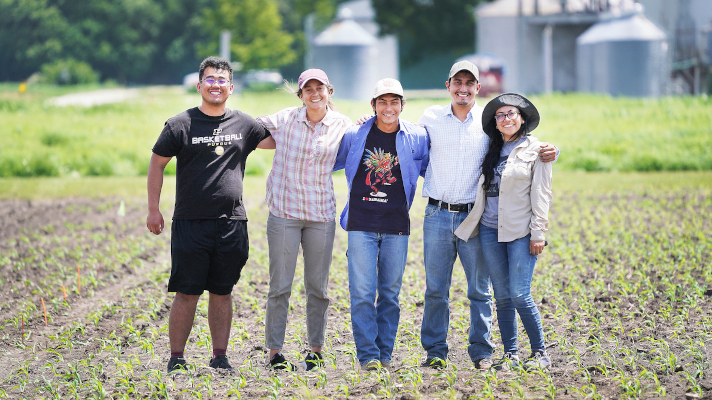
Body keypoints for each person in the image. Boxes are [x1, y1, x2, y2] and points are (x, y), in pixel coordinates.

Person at [418, 61, 558, 369]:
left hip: (475, 220)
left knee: (481, 291)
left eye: (470, 82)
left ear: (478, 88)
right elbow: (405, 141)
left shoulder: (488, 127)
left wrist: (552, 151)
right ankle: (436, 352)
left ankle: (482, 353)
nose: (463, 87)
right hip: (438, 214)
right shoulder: (430, 118)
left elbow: (528, 158)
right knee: (435, 290)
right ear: (448, 85)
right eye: (458, 81)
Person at [146, 56, 275, 374]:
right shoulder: (180, 124)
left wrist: (313, 118)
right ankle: (177, 358)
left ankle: (220, 356)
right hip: (190, 222)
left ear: (231, 88)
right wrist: (153, 209)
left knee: (222, 290)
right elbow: (157, 164)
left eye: (222, 81)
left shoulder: (245, 124)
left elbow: (280, 140)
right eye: (210, 79)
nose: (216, 85)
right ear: (199, 84)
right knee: (186, 292)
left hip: (232, 223)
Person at [256, 69, 352, 371]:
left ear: (329, 91)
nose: (314, 93)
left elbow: (361, 141)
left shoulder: (341, 125)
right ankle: (274, 352)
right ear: (300, 95)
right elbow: (249, 129)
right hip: (284, 213)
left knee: (318, 287)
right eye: (307, 89)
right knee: (280, 286)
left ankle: (316, 350)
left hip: (320, 215)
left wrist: (366, 120)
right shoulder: (285, 119)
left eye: (319, 88)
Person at [333, 78, 429, 371]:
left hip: (396, 224)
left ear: (402, 105)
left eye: (394, 102)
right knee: (362, 293)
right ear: (373, 106)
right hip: (361, 223)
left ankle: (384, 353)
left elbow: (434, 167)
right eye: (382, 102)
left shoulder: (417, 137)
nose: (389, 108)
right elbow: (327, 160)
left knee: (390, 294)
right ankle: (368, 356)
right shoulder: (354, 134)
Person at [454, 93, 553, 371]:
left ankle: (540, 353)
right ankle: (511, 354)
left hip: (521, 232)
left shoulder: (537, 150)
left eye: (511, 114)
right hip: (488, 230)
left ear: (522, 119)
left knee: (520, 294)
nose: (506, 119)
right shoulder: (492, 149)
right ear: (495, 124)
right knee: (502, 296)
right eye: (500, 115)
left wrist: (538, 233)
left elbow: (542, 194)